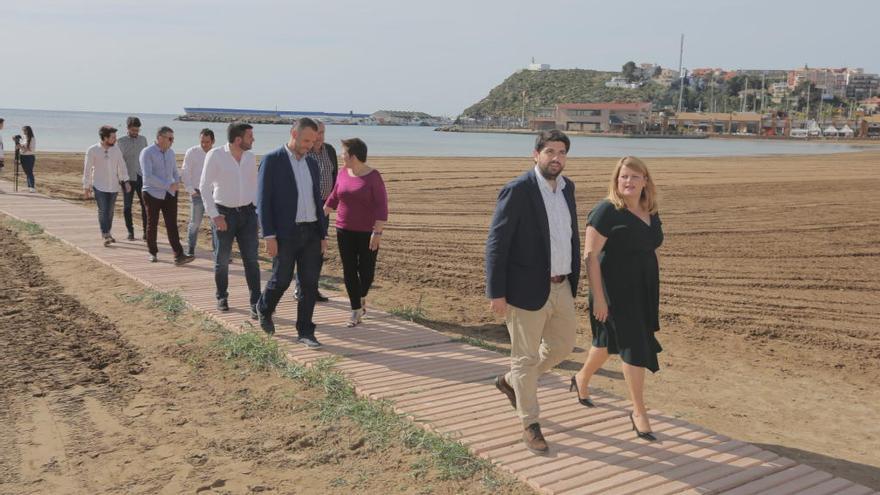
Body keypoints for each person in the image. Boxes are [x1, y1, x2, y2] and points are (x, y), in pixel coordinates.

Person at [485, 130, 580, 455]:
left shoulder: (568, 189)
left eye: (562, 152)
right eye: (550, 151)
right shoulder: (518, 190)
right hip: (525, 288)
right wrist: (496, 291)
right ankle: (530, 423)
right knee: (524, 357)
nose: (556, 158)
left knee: (563, 346)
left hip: (562, 284)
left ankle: (512, 382)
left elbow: (569, 236)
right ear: (535, 154)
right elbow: (497, 242)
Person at [572, 156, 663, 441]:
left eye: (635, 177)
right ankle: (639, 412)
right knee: (634, 348)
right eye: (624, 176)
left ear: (645, 181)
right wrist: (599, 298)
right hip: (613, 291)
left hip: (642, 291)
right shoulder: (605, 211)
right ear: (616, 180)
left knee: (605, 344)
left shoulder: (651, 211)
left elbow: (652, 248)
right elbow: (590, 256)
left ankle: (580, 379)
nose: (629, 182)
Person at [255, 118, 328, 348]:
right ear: (293, 134)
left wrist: (323, 234)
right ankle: (264, 308)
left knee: (309, 283)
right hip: (285, 233)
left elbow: (317, 200)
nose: (310, 145)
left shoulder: (312, 164)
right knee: (282, 279)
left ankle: (305, 330)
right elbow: (263, 201)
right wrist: (268, 236)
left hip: (312, 232)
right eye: (306, 140)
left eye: (313, 141)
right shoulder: (272, 160)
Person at [324, 138, 387, 327]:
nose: (341, 156)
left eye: (343, 153)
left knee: (366, 272)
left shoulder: (373, 176)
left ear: (353, 156)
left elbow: (381, 207)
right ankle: (355, 310)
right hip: (344, 229)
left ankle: (361, 296)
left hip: (368, 232)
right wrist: (320, 216)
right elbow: (334, 197)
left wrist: (377, 233)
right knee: (349, 270)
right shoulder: (343, 172)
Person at [199, 123, 260, 317]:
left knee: (251, 260)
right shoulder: (215, 155)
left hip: (248, 214)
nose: (254, 139)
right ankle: (222, 296)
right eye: (250, 136)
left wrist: (257, 212)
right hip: (224, 214)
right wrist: (214, 215)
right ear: (238, 139)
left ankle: (256, 303)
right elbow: (204, 186)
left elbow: (255, 186)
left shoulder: (250, 158)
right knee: (222, 260)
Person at [295, 120, 338, 303]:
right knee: (303, 248)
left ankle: (313, 288)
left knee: (319, 249)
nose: (320, 137)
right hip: (307, 206)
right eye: (317, 133)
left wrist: (332, 201)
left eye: (322, 132)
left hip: (325, 208)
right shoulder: (304, 152)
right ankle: (300, 289)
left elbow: (335, 176)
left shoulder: (330, 150)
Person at [139, 126, 194, 265]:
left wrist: (175, 183)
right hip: (152, 193)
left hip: (170, 193)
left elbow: (175, 171)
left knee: (172, 224)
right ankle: (152, 252)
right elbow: (148, 177)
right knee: (153, 223)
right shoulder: (147, 152)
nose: (172, 141)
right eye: (170, 138)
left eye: (173, 138)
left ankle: (179, 255)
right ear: (160, 138)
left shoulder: (170, 152)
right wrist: (167, 185)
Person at [82, 126, 131, 246]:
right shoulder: (92, 150)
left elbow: (122, 166)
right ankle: (105, 234)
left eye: (115, 137)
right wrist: (86, 186)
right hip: (99, 185)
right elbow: (87, 169)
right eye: (113, 137)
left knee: (110, 211)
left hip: (114, 186)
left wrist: (126, 181)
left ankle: (108, 231)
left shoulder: (116, 149)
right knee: (103, 210)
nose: (115, 139)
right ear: (105, 137)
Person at [182, 128, 215, 256]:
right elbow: (185, 171)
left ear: (213, 141)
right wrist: (190, 190)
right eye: (202, 141)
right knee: (195, 223)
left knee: (215, 223)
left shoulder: (217, 153)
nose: (204, 144)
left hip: (213, 194)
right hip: (197, 193)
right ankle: (190, 249)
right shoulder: (192, 152)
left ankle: (218, 251)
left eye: (207, 142)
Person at [117, 117, 149, 240]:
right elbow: (119, 162)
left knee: (145, 206)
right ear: (128, 128)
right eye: (133, 130)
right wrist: (122, 179)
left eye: (137, 130)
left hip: (142, 177)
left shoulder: (143, 140)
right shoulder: (121, 142)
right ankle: (130, 231)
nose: (135, 132)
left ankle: (146, 232)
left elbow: (146, 158)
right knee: (127, 207)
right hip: (127, 178)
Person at [18, 126, 36, 192]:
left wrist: (21, 147)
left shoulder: (32, 138)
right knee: (27, 172)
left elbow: (30, 149)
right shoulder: (24, 137)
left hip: (29, 157)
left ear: (28, 131)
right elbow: (21, 147)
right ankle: (29, 187)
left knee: (29, 172)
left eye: (25, 130)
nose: (23, 132)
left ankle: (32, 187)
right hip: (22, 156)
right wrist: (17, 143)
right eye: (23, 131)